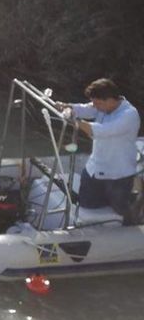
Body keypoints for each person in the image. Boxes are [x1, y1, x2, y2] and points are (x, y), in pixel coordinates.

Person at [57, 78, 141, 225]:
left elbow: (103, 131)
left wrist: (75, 121)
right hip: (94, 169)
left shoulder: (129, 115)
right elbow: (85, 108)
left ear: (109, 100)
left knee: (121, 209)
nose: (95, 107)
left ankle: (132, 229)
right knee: (87, 206)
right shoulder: (102, 105)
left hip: (118, 175)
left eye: (98, 104)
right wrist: (68, 107)